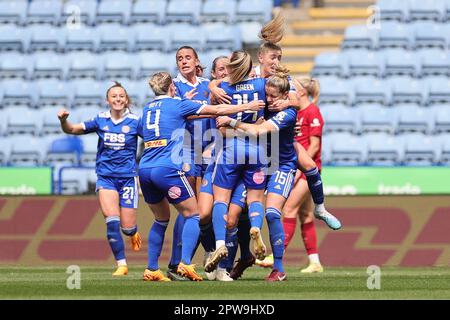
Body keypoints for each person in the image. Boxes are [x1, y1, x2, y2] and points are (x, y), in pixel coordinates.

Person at [139, 71, 265, 282]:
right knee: (194, 214)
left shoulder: (147, 109)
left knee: (160, 219)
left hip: (144, 167)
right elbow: (217, 109)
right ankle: (185, 264)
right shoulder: (178, 104)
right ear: (172, 88)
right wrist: (245, 107)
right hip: (167, 167)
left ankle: (151, 268)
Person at [216, 65, 297, 281]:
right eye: (267, 95)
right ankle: (231, 265)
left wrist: (231, 121)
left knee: (271, 213)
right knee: (234, 215)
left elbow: (258, 130)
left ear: (284, 96)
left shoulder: (287, 112)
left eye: (273, 96)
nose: (269, 100)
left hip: (281, 165)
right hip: (257, 164)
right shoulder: (265, 107)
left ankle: (278, 269)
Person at [57, 81, 142, 276]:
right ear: (108, 100)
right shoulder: (100, 120)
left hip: (128, 178)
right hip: (106, 178)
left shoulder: (136, 122)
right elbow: (72, 130)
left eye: (121, 96)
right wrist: (63, 120)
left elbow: (152, 139)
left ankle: (132, 232)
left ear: (126, 99)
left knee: (127, 227)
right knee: (112, 220)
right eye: (114, 96)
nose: (118, 99)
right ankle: (122, 264)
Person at [204, 50, 269, 274]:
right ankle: (255, 228)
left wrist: (214, 85)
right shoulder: (260, 85)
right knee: (256, 198)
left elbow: (215, 86)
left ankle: (220, 244)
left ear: (231, 67)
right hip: (257, 149)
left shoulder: (225, 89)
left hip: (232, 148)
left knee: (220, 199)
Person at [166, 46, 217, 281]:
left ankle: (208, 253)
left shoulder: (209, 85)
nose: (183, 61)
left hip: (209, 152)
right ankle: (178, 262)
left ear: (197, 61)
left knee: (203, 211)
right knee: (189, 208)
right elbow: (177, 114)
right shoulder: (174, 87)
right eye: (179, 59)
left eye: (188, 57)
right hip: (184, 150)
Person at [282, 76, 326, 273]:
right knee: (305, 214)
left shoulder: (312, 111)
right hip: (301, 167)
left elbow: (315, 145)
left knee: (288, 209)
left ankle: (276, 253)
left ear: (300, 92)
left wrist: (301, 170)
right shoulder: (298, 112)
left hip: (308, 169)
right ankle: (315, 261)